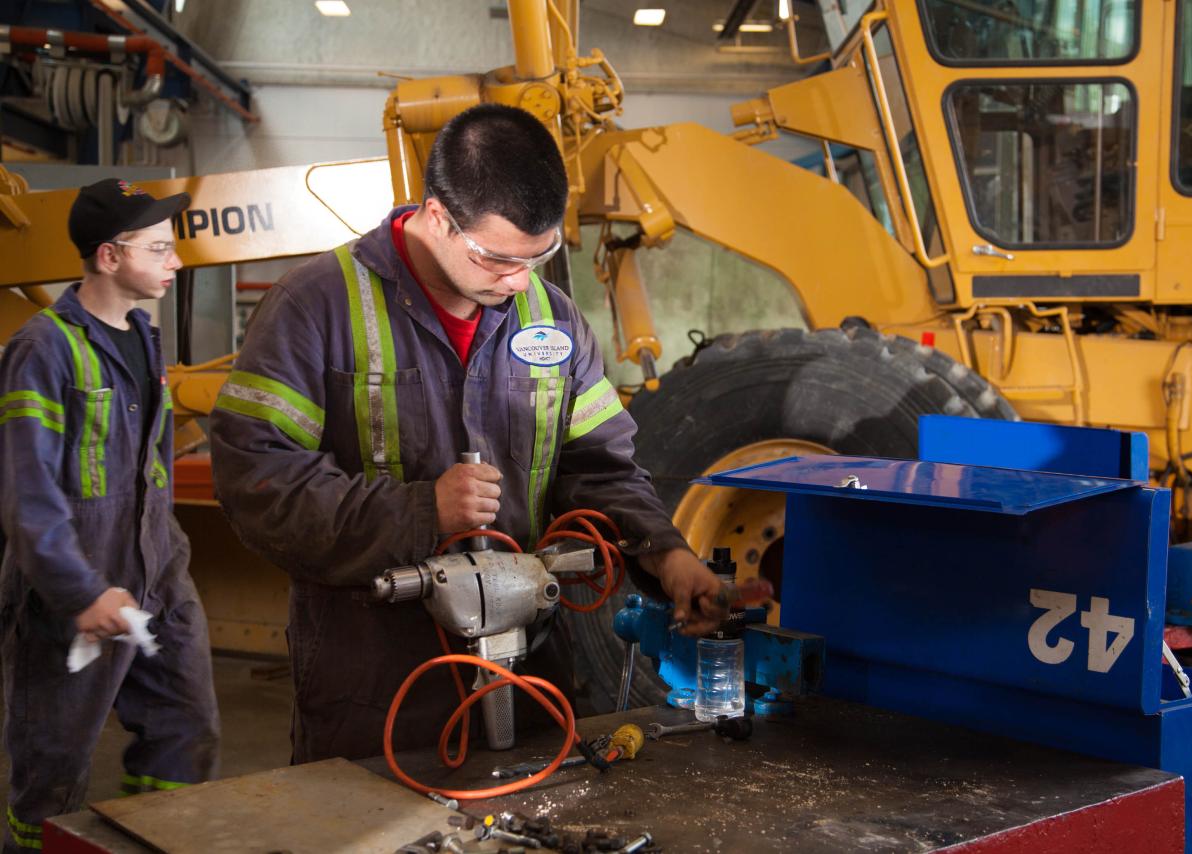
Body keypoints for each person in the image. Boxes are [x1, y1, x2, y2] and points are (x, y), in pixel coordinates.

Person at [208, 104, 726, 764]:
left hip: (530, 670)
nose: (516, 282)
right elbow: (257, 478)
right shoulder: (317, 307)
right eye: (495, 259)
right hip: (376, 681)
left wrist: (665, 553)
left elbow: (601, 466)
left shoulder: (552, 321)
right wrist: (421, 512)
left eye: (536, 258)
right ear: (435, 216)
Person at [0, 178, 220, 852]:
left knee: (187, 725)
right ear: (108, 256)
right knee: (55, 758)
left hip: (157, 566)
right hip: (77, 580)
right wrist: (78, 590)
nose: (175, 260)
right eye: (159, 248)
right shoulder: (45, 349)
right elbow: (26, 490)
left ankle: (158, 840)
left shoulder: (142, 337)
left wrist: (166, 561)